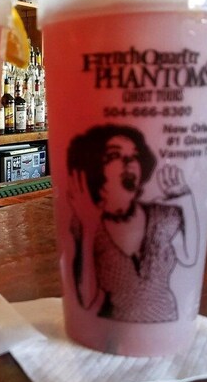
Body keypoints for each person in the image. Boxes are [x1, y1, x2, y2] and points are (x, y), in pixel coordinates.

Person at [66, 125, 199, 323]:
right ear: (96, 168)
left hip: (169, 322)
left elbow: (189, 258)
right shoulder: (88, 223)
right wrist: (88, 227)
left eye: (134, 156)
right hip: (110, 333)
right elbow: (85, 299)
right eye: (114, 155)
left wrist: (187, 200)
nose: (129, 162)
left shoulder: (161, 215)